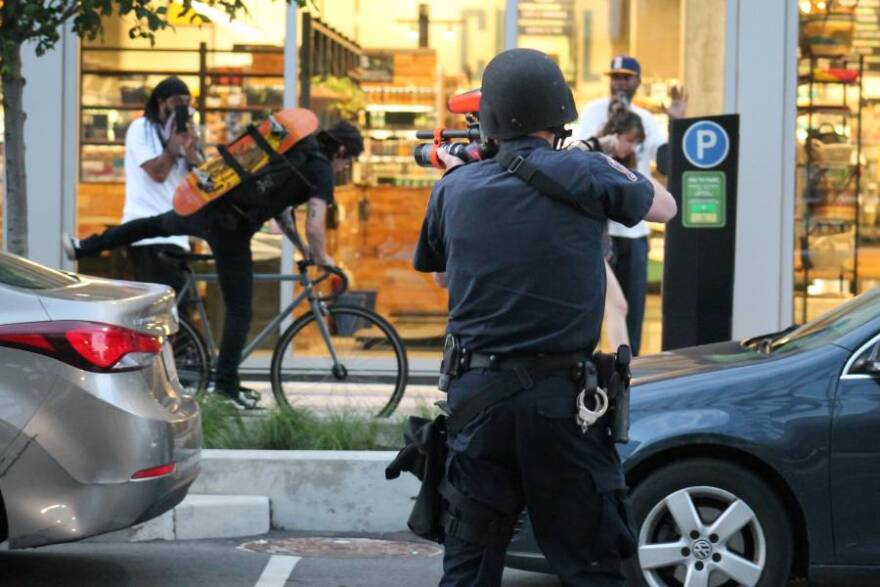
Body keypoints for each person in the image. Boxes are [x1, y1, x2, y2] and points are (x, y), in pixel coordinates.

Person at [414, 48, 676, 586]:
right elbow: (665, 208)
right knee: (595, 564)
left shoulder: (454, 187)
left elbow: (441, 278)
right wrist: (598, 158)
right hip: (566, 405)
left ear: (488, 122)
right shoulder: (584, 171)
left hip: (477, 400)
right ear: (559, 116)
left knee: (469, 565)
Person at [64, 120, 364, 408]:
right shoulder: (321, 170)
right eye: (348, 160)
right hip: (230, 228)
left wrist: (303, 249)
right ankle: (225, 386)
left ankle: (84, 246)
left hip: (211, 206)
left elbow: (282, 213)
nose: (346, 167)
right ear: (340, 151)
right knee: (240, 309)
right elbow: (315, 223)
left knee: (152, 225)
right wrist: (324, 259)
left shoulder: (297, 152)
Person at [572, 55, 687, 355]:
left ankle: (629, 371)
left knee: (630, 308)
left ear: (637, 81)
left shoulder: (646, 119)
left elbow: (665, 160)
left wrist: (677, 121)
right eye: (616, 77)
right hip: (597, 229)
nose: (620, 83)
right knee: (592, 306)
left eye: (626, 77)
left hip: (633, 231)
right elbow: (578, 156)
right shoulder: (593, 111)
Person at [123, 76, 203, 299]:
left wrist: (191, 148)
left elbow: (202, 182)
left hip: (176, 234)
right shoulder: (141, 129)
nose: (183, 108)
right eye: (177, 102)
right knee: (163, 311)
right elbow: (158, 173)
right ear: (161, 102)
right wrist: (174, 143)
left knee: (182, 308)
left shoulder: (186, 133)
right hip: (147, 234)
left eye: (187, 103)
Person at [590, 110, 648, 352]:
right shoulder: (593, 157)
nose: (632, 148)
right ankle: (621, 370)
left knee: (617, 306)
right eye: (630, 141)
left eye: (636, 143)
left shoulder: (611, 162)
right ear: (615, 135)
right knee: (612, 306)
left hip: (599, 245)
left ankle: (623, 368)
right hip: (591, 245)